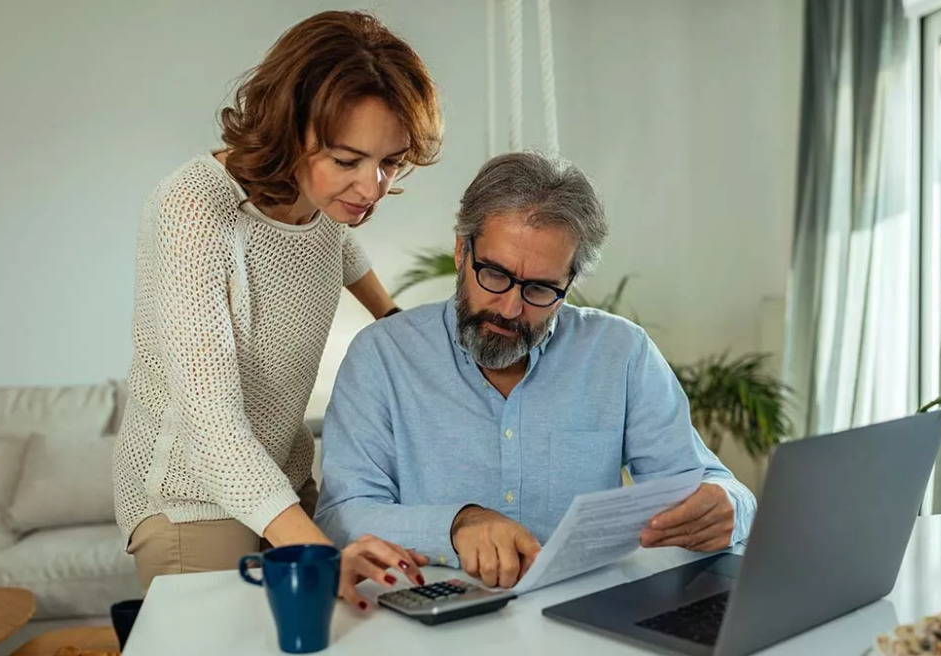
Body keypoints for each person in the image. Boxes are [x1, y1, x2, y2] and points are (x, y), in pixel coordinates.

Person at [112, 11, 442, 609]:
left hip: (282, 481)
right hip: (194, 499)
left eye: (388, 162)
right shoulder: (195, 208)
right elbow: (209, 425)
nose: (371, 189)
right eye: (348, 161)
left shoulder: (322, 204)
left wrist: (396, 324)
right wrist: (319, 553)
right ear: (291, 128)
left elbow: (337, 248)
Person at [314, 151, 756, 590]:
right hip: (429, 619)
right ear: (461, 251)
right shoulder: (383, 356)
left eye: (541, 288)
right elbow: (341, 516)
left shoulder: (620, 353)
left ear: (570, 283)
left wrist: (728, 506)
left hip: (580, 619)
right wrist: (456, 525)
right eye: (494, 274)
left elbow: (708, 483)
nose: (510, 307)